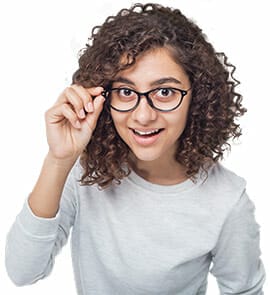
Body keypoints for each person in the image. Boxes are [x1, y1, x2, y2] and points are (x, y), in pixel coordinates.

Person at [5, 2, 265, 294]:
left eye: (165, 92)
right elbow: (22, 271)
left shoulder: (227, 200)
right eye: (126, 92)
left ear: (198, 97)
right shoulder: (84, 172)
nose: (143, 116)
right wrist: (58, 160)